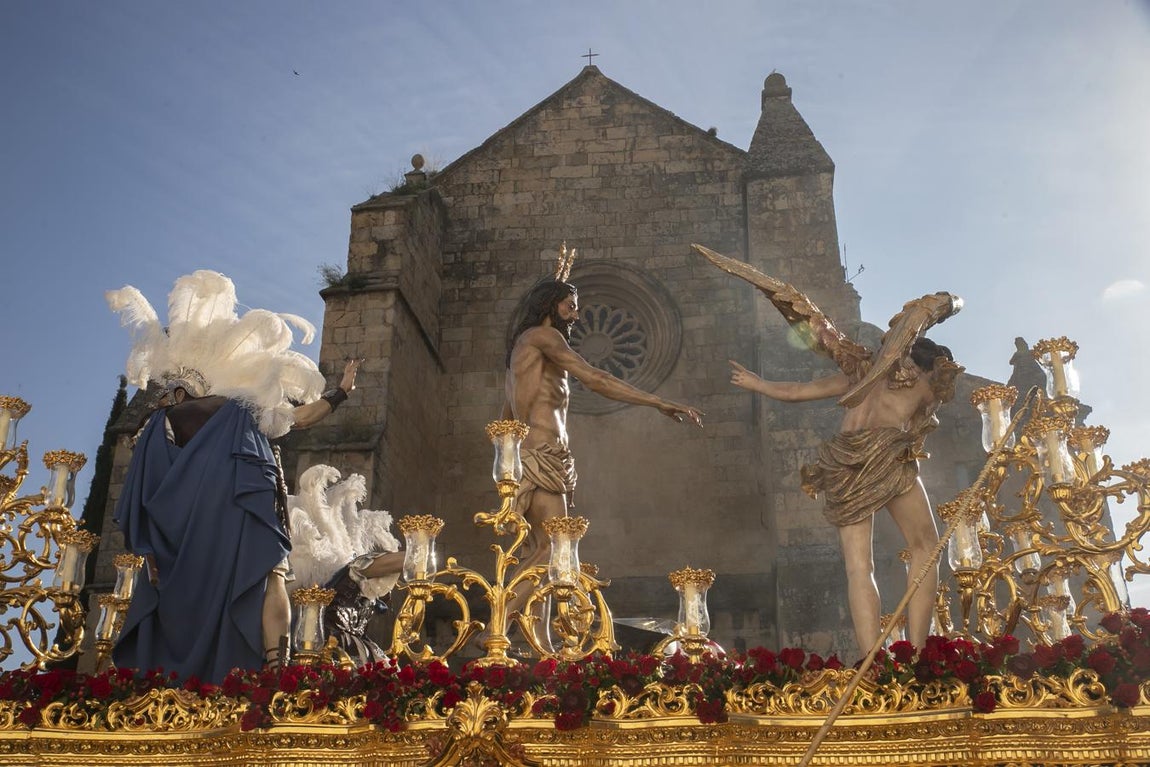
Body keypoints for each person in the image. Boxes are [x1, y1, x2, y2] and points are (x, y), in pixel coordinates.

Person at [693, 242, 961, 659]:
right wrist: (952, 304)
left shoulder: (861, 372)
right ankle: (918, 648)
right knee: (926, 545)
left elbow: (799, 391)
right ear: (932, 364)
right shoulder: (922, 380)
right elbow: (936, 311)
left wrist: (757, 384)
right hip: (886, 452)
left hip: (843, 460)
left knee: (858, 567)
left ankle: (872, 657)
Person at [107, 270, 361, 682]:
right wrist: (342, 391)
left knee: (173, 597)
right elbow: (303, 416)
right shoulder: (240, 409)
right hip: (240, 520)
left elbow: (138, 497)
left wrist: (152, 550)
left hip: (176, 543)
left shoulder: (154, 428)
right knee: (271, 574)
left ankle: (162, 679)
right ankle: (277, 670)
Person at [502, 275, 703, 625]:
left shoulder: (521, 352)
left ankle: (545, 643)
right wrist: (657, 402)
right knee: (553, 550)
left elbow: (504, 418)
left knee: (543, 552)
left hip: (542, 457)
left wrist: (506, 469)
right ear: (551, 305)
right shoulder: (543, 337)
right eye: (571, 306)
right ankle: (495, 628)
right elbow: (597, 379)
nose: (576, 316)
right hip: (542, 456)